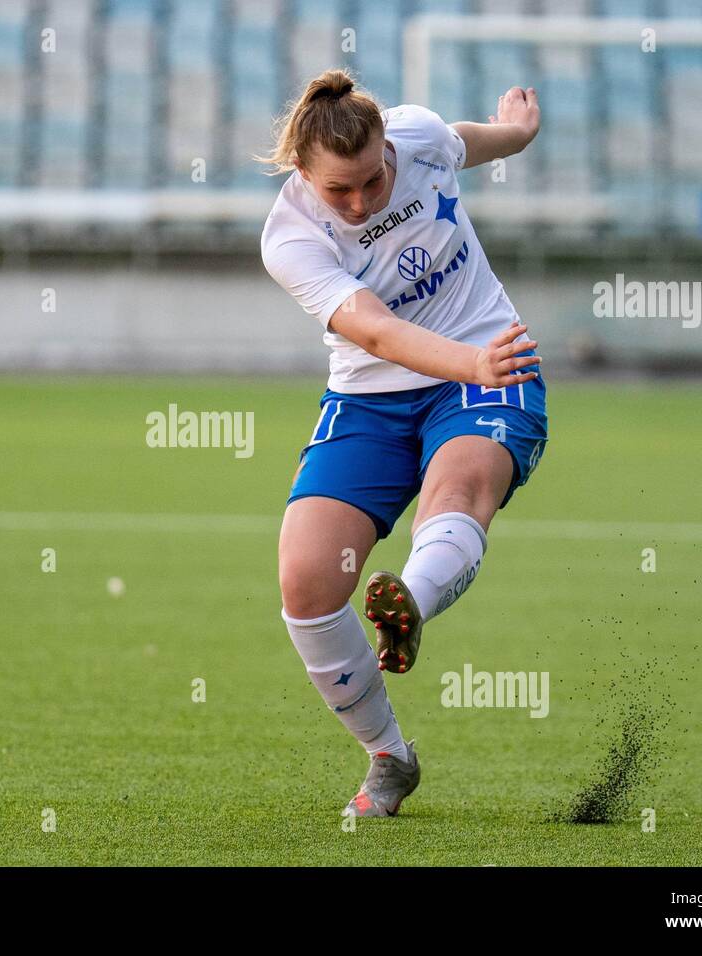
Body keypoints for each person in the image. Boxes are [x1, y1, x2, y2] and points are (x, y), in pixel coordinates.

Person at [259, 69, 547, 817]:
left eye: (369, 180)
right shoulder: (290, 238)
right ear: (302, 173)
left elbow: (462, 142)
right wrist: (468, 362)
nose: (359, 202)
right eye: (338, 191)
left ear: (389, 143)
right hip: (372, 395)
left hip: (490, 369)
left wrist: (513, 133)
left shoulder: (417, 135)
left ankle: (407, 605)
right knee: (307, 581)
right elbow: (379, 333)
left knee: (455, 494)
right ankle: (389, 756)